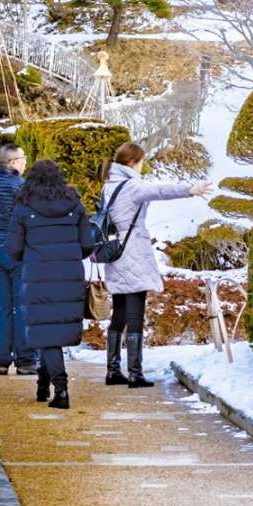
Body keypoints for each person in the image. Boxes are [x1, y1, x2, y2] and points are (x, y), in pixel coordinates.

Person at [97, 141, 212, 388]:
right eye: (141, 162)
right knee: (135, 311)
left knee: (119, 311)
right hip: (133, 253)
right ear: (132, 162)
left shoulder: (109, 184)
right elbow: (159, 191)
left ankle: (113, 370)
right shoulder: (131, 186)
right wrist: (190, 189)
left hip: (115, 253)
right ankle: (135, 373)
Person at [2, 160, 97, 410]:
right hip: (69, 274)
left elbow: (13, 248)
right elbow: (87, 244)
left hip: (37, 275)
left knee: (46, 332)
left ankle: (61, 388)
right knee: (50, 332)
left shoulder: (23, 207)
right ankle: (43, 385)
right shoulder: (75, 205)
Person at [0, 143, 35, 375]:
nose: (25, 162)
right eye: (22, 158)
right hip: (18, 250)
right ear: (12, 162)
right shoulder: (21, 186)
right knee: (21, 305)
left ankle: (1, 359)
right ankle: (25, 360)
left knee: (1, 306)